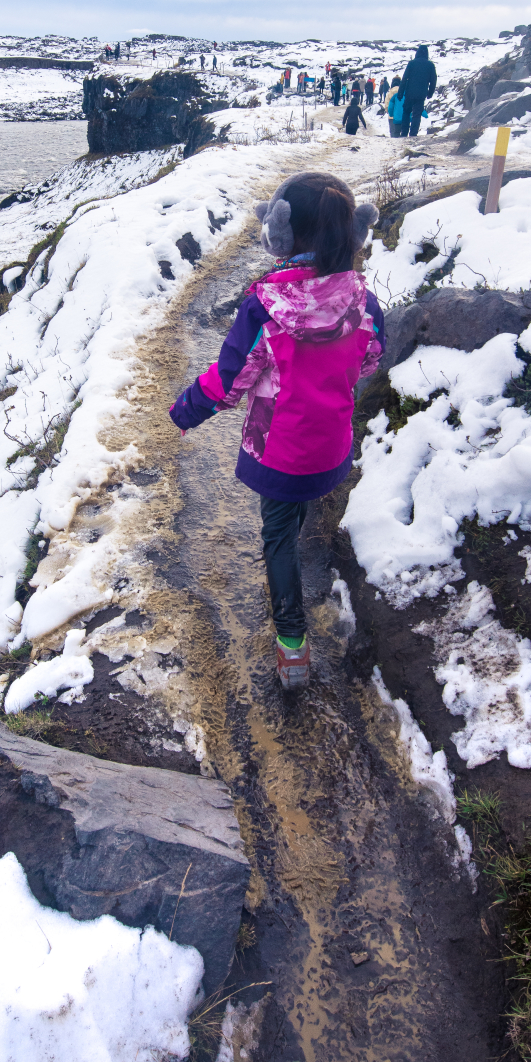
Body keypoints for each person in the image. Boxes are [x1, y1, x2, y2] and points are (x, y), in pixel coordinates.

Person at [169, 173, 384, 689]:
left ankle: (292, 644)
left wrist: (184, 411)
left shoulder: (264, 306)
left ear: (282, 234)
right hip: (331, 446)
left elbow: (228, 382)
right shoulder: (362, 301)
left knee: (277, 537)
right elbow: (372, 360)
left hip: (281, 451)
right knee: (297, 513)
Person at [398, 43, 437, 137]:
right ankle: (413, 134)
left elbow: (404, 78)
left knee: (406, 112)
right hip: (421, 94)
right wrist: (430, 93)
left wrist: (400, 92)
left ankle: (404, 133)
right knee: (417, 114)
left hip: (409, 93)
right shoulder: (430, 65)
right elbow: (433, 80)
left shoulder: (412, 63)